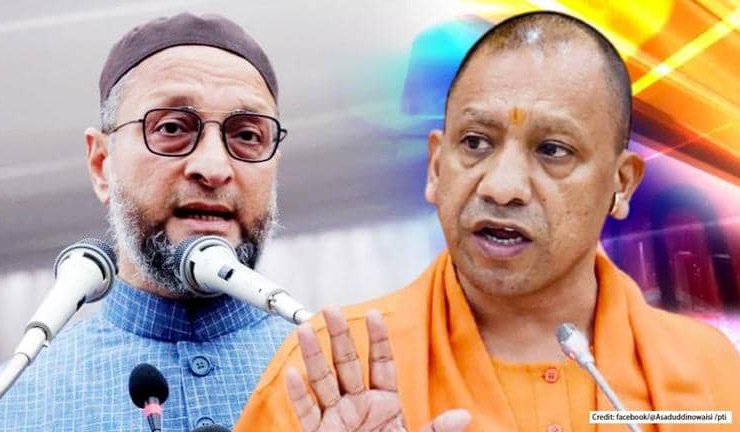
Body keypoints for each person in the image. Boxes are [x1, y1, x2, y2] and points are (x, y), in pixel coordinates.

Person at [234, 11, 740, 432]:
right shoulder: (328, 377)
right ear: (437, 168)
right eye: (476, 143)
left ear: (621, 184)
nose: (502, 187)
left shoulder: (712, 373)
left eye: (552, 150)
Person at [0, 13, 293, 431]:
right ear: (101, 164)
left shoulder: (357, 375)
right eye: (172, 128)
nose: (214, 168)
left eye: (248, 136)